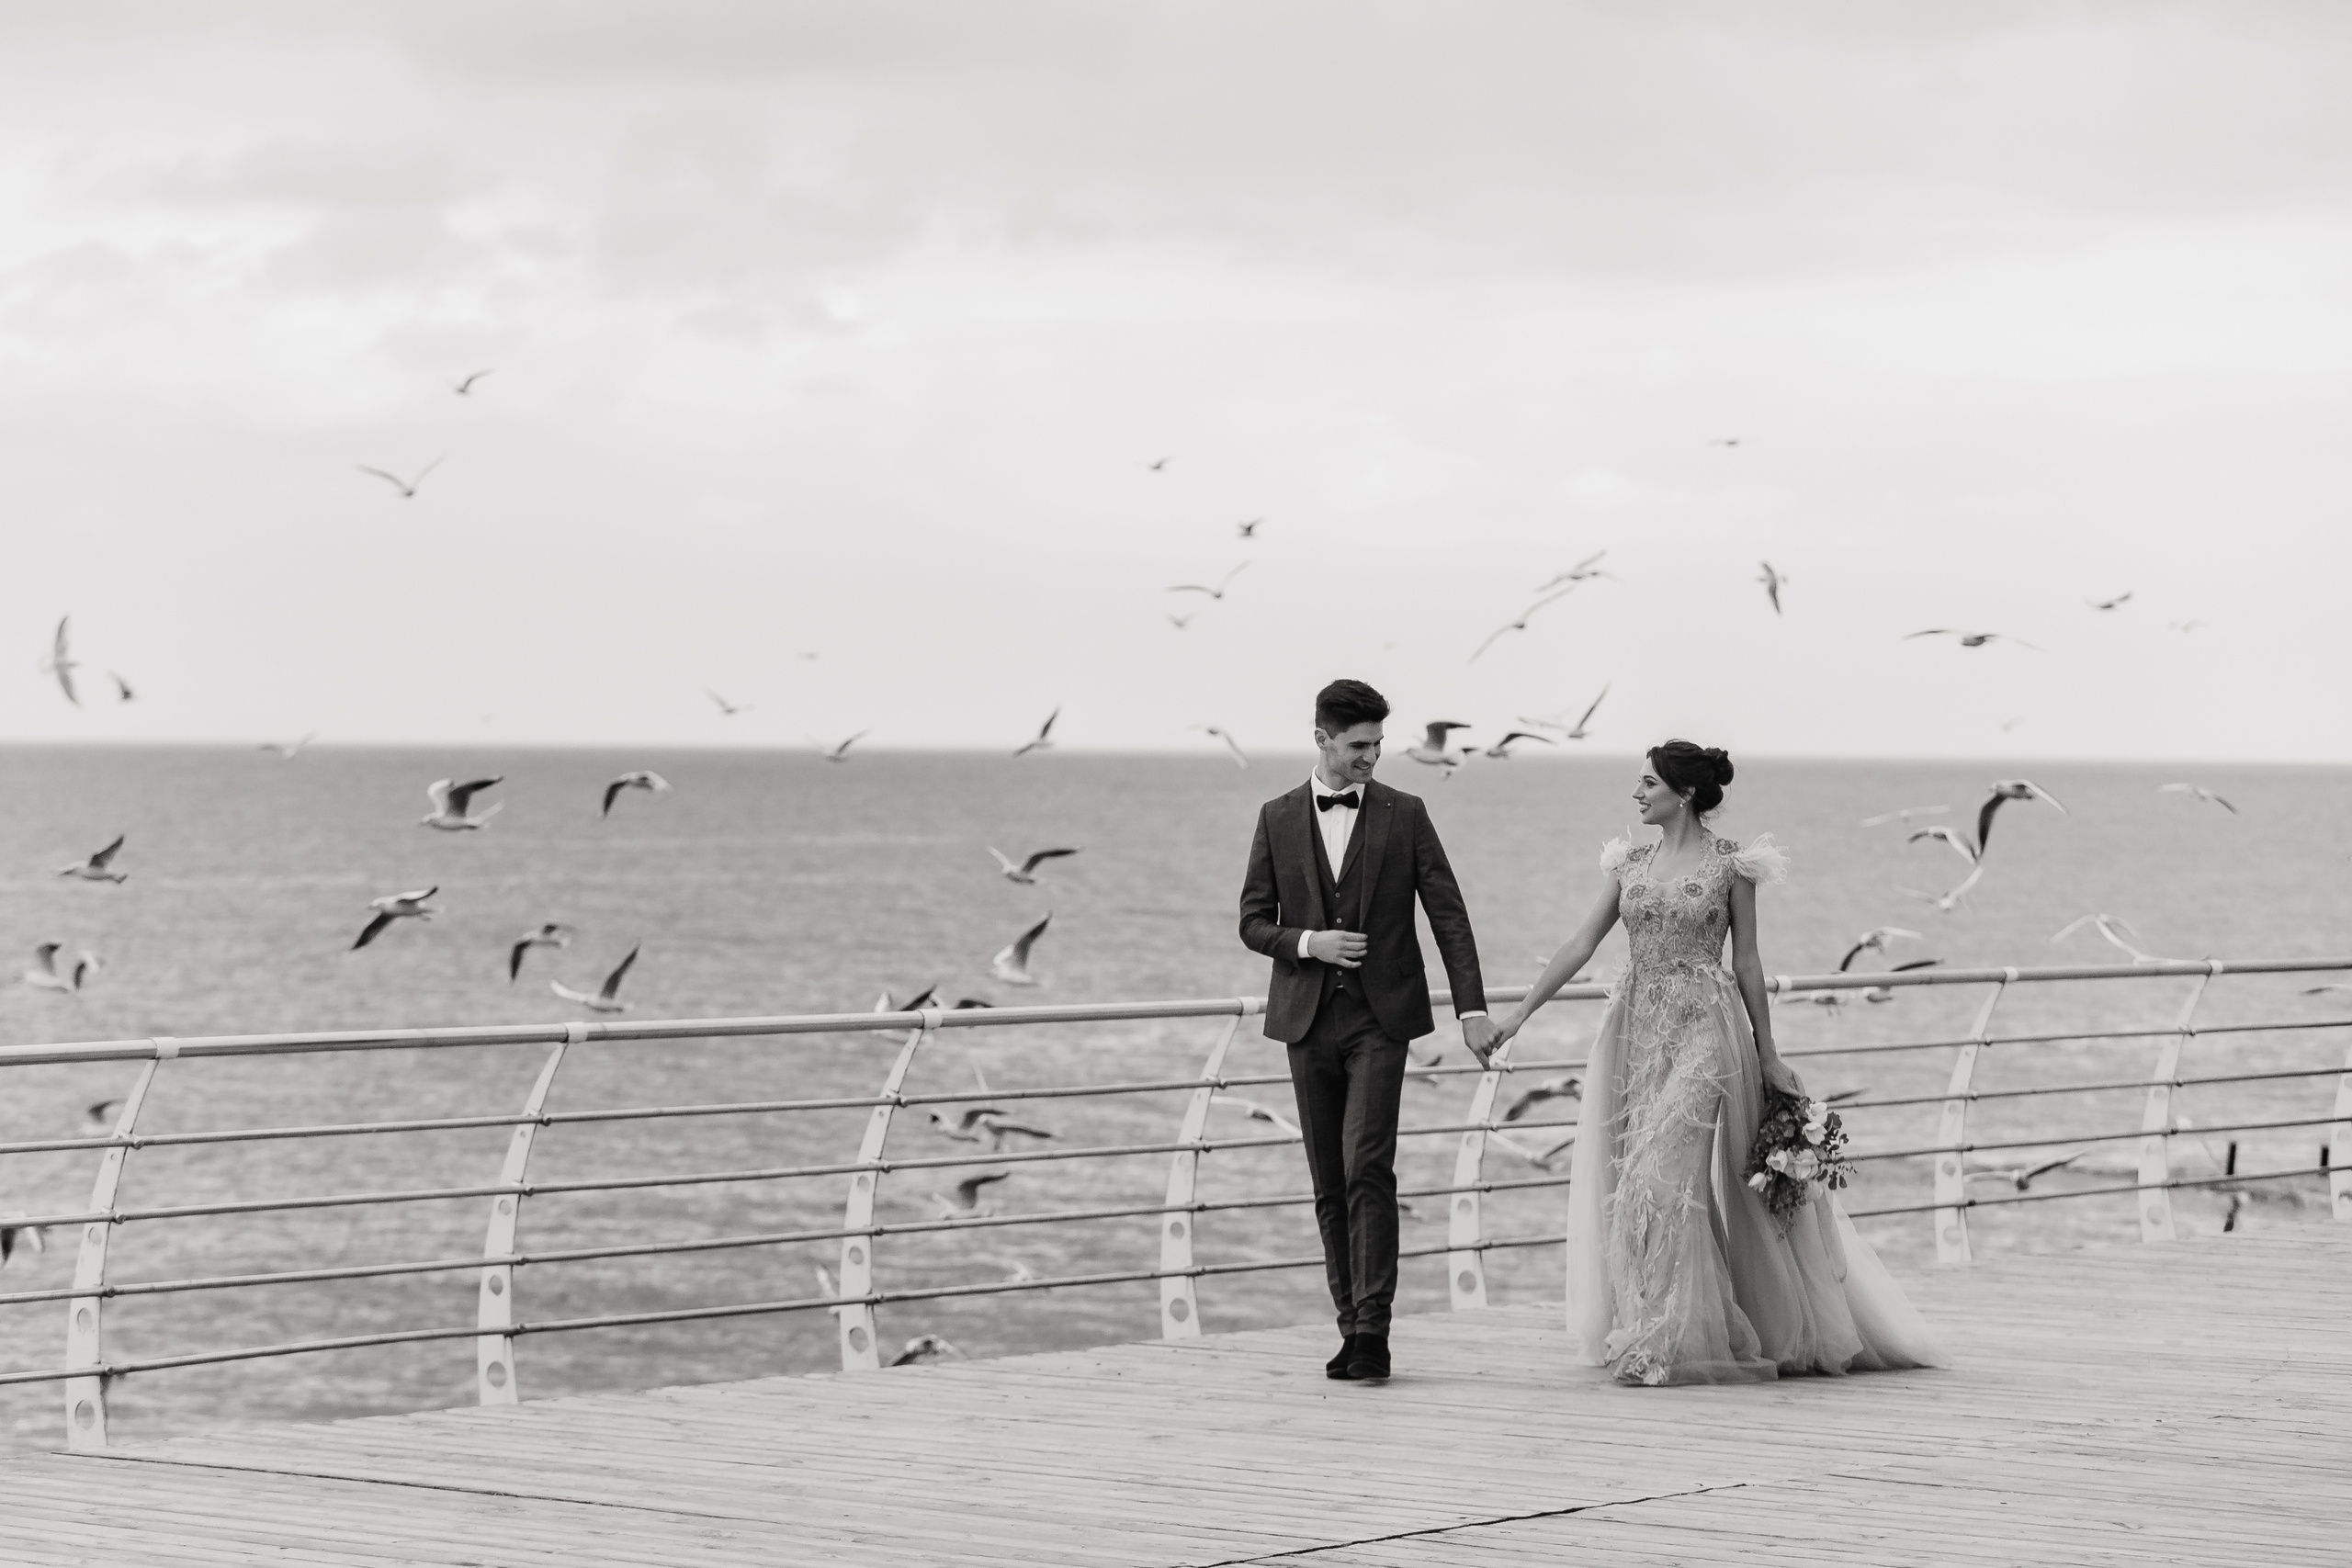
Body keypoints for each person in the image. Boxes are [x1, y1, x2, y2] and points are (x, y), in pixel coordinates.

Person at [1488, 740, 1944, 1386]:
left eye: (1648, 783)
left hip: (1706, 1026)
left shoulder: (1733, 866)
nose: (1637, 794)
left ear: (1686, 793)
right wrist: (1517, 1018)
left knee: (1659, 1173)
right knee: (1636, 1184)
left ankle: (1667, 1338)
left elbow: (1749, 962)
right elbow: (1579, 943)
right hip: (1637, 1029)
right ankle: (1661, 1325)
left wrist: (1768, 1052)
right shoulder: (1628, 862)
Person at [1238, 679, 1498, 1382]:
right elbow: (1253, 921)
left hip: (1382, 1020)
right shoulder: (1277, 816)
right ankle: (1348, 1324)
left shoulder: (1405, 814)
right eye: (1358, 745)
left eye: (1379, 743)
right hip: (1306, 1020)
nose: (1372, 757)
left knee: (1367, 1167)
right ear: (1321, 739)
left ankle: (1375, 1331)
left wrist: (1470, 1011)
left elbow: (1449, 914)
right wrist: (1307, 944)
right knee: (1328, 1178)